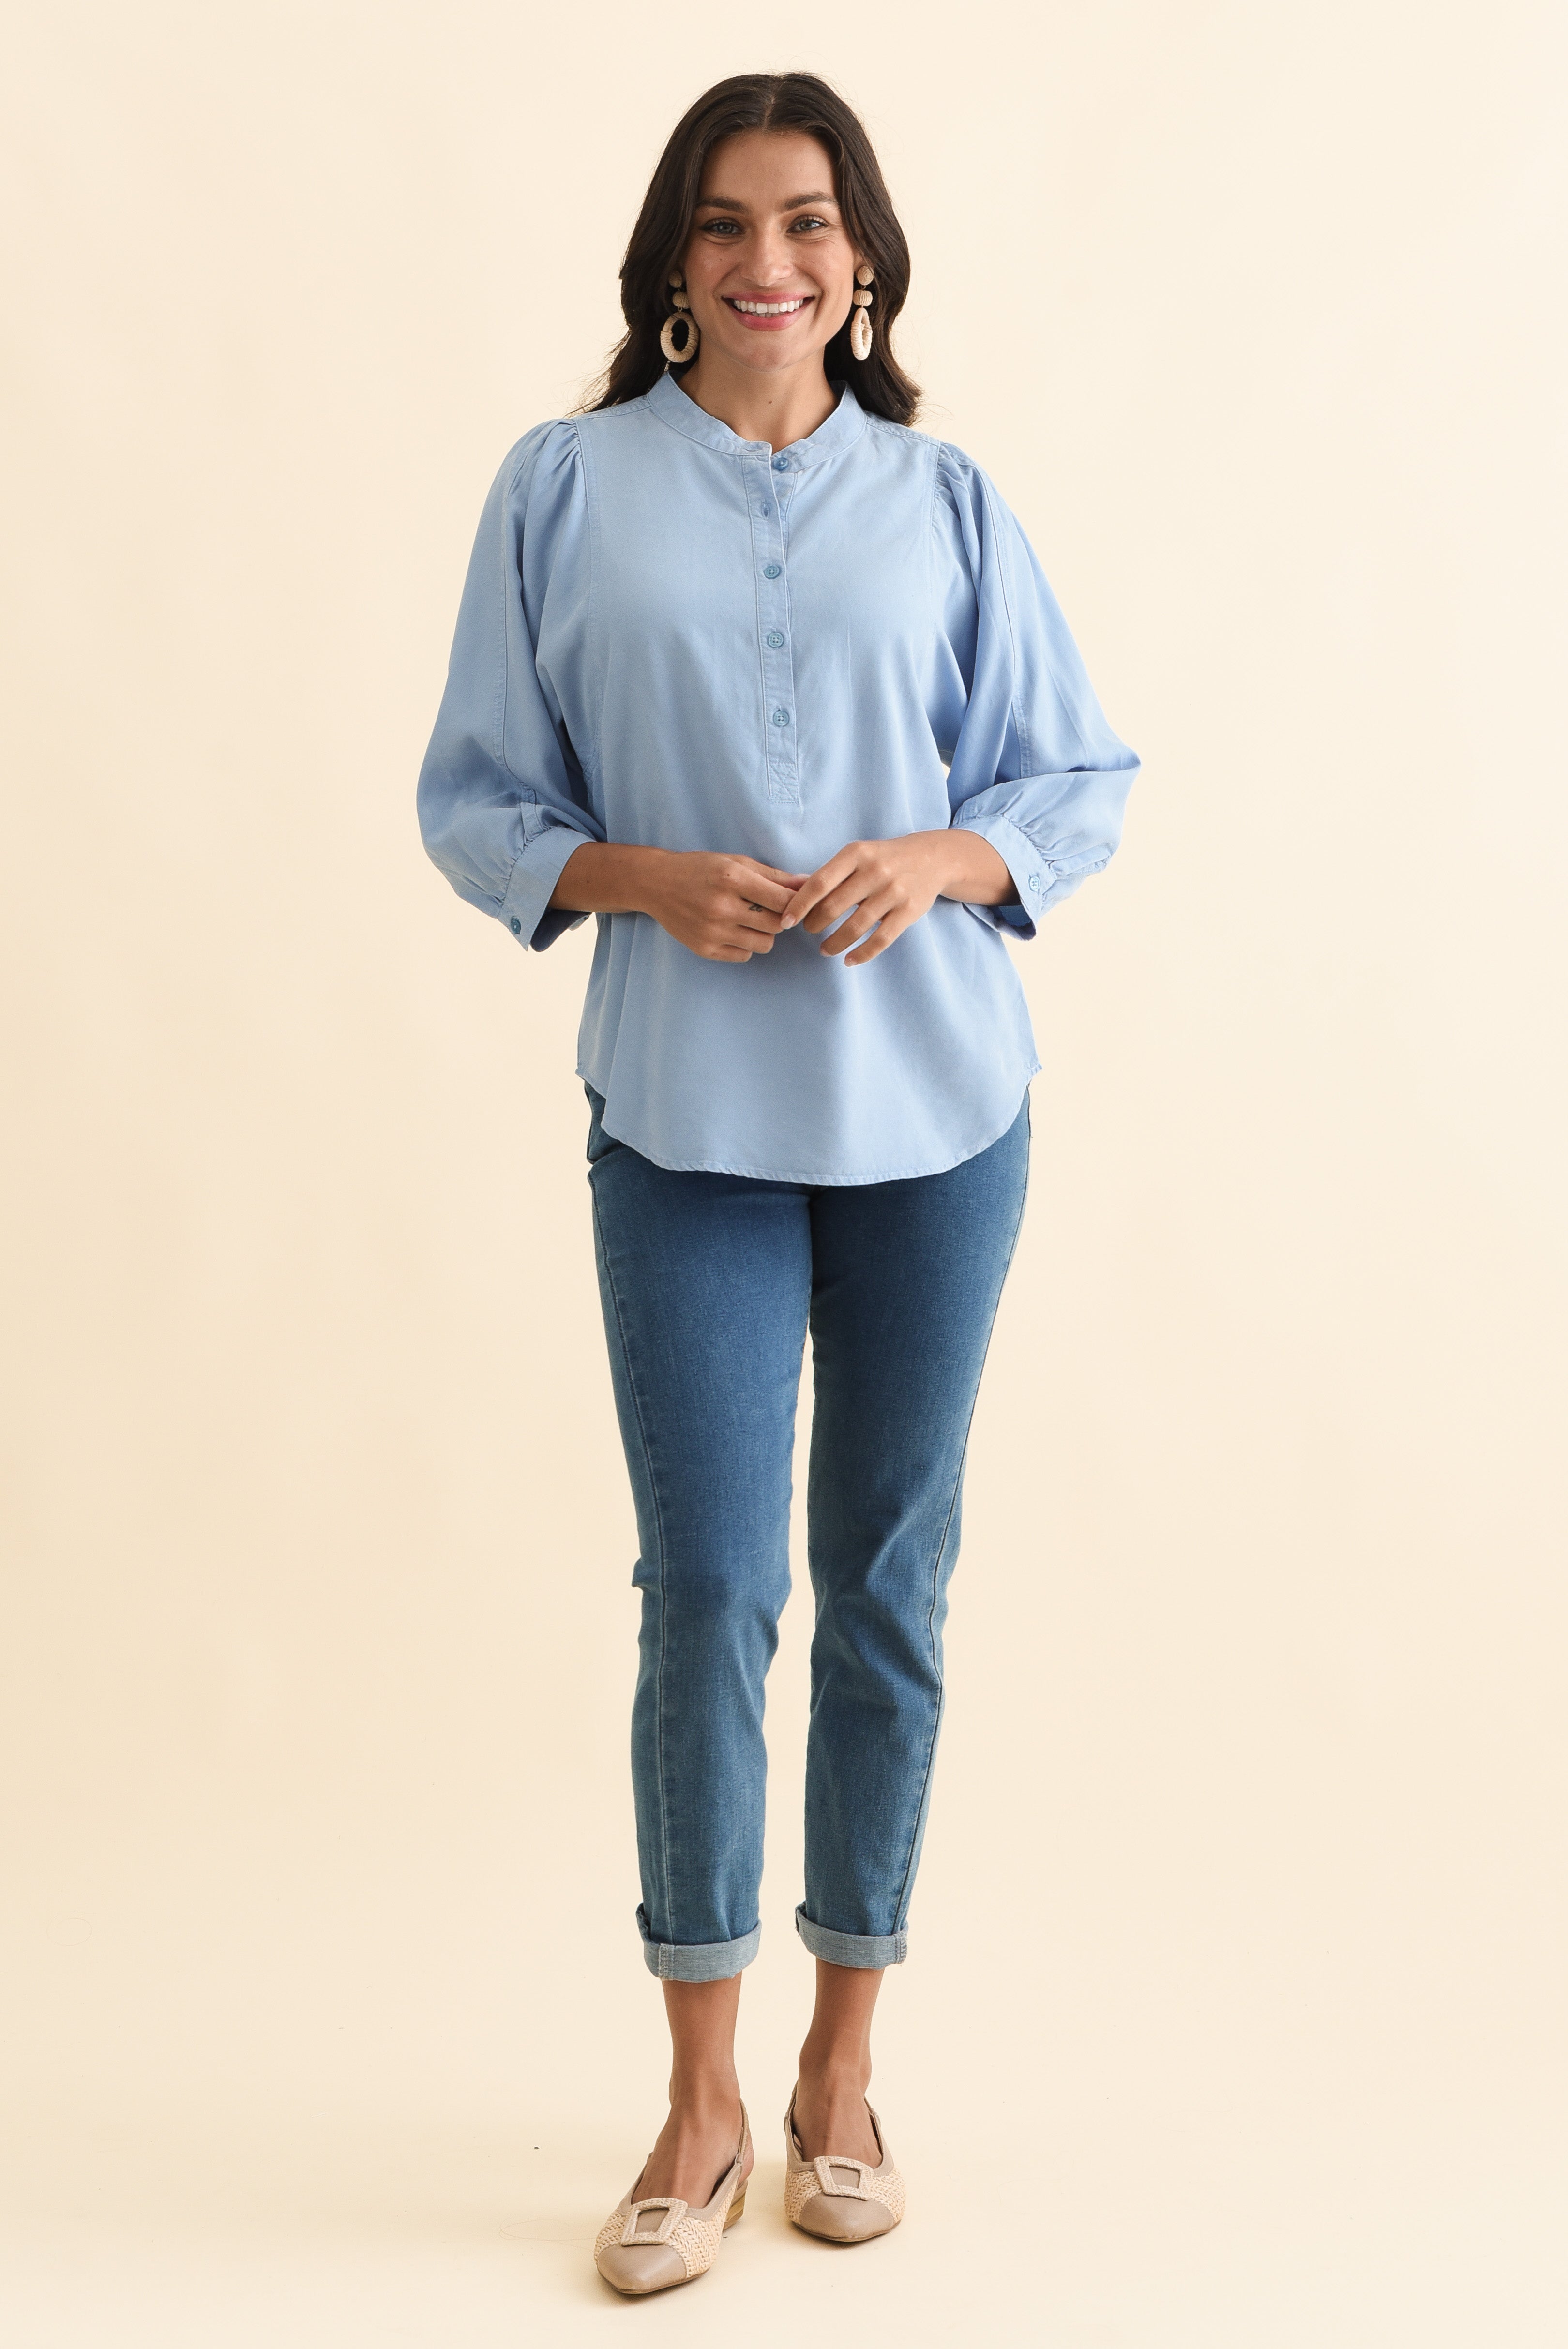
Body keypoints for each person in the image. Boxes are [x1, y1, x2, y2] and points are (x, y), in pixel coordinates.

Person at [417, 70, 1138, 2297]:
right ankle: (699, 2096)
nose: (769, 261)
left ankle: (842, 2070)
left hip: (945, 1120)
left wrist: (944, 855)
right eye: (727, 223)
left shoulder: (946, 498)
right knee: (713, 1592)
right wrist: (641, 876)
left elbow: (1074, 776)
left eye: (809, 221)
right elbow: (474, 797)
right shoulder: (562, 487)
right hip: (686, 1126)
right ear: (673, 258)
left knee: (889, 1583)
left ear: (863, 258)